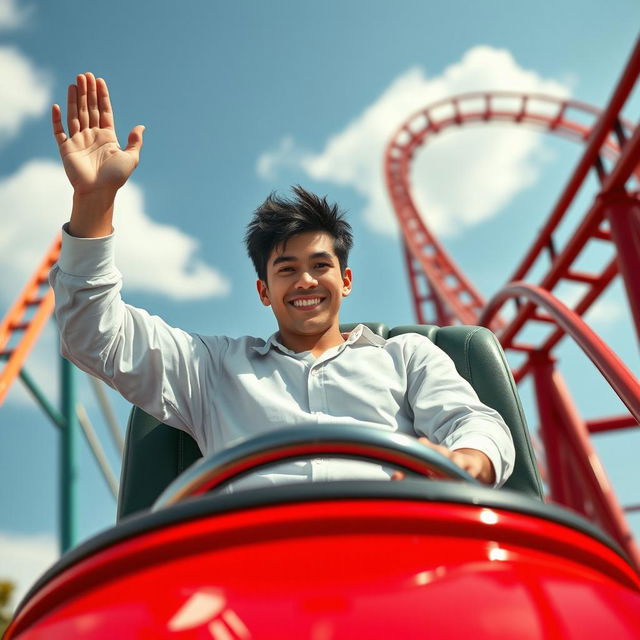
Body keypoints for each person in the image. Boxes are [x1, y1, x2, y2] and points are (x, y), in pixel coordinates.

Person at [50, 72, 514, 489]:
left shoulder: (406, 357)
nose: (306, 281)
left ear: (346, 279)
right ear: (263, 290)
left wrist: (466, 459)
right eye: (286, 270)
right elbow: (94, 335)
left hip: (389, 553)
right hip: (255, 566)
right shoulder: (211, 370)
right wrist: (95, 202)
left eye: (320, 266)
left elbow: (473, 422)